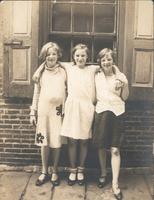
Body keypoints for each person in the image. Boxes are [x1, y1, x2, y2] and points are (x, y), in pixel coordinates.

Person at [92, 48, 129, 200]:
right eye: (103, 60)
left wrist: (124, 85)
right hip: (101, 112)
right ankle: (103, 173)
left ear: (113, 60)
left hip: (117, 113)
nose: (106, 62)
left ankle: (115, 184)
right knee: (101, 146)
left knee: (114, 150)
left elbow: (125, 97)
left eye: (109, 59)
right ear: (100, 62)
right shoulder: (95, 74)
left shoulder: (120, 77)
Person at [30, 42, 66, 187]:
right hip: (44, 111)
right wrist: (33, 112)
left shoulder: (64, 71)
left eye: (54, 54)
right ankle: (44, 171)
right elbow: (36, 93)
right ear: (44, 56)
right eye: (48, 54)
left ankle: (55, 171)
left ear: (58, 56)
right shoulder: (40, 74)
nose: (51, 56)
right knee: (44, 142)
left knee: (56, 142)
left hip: (58, 112)